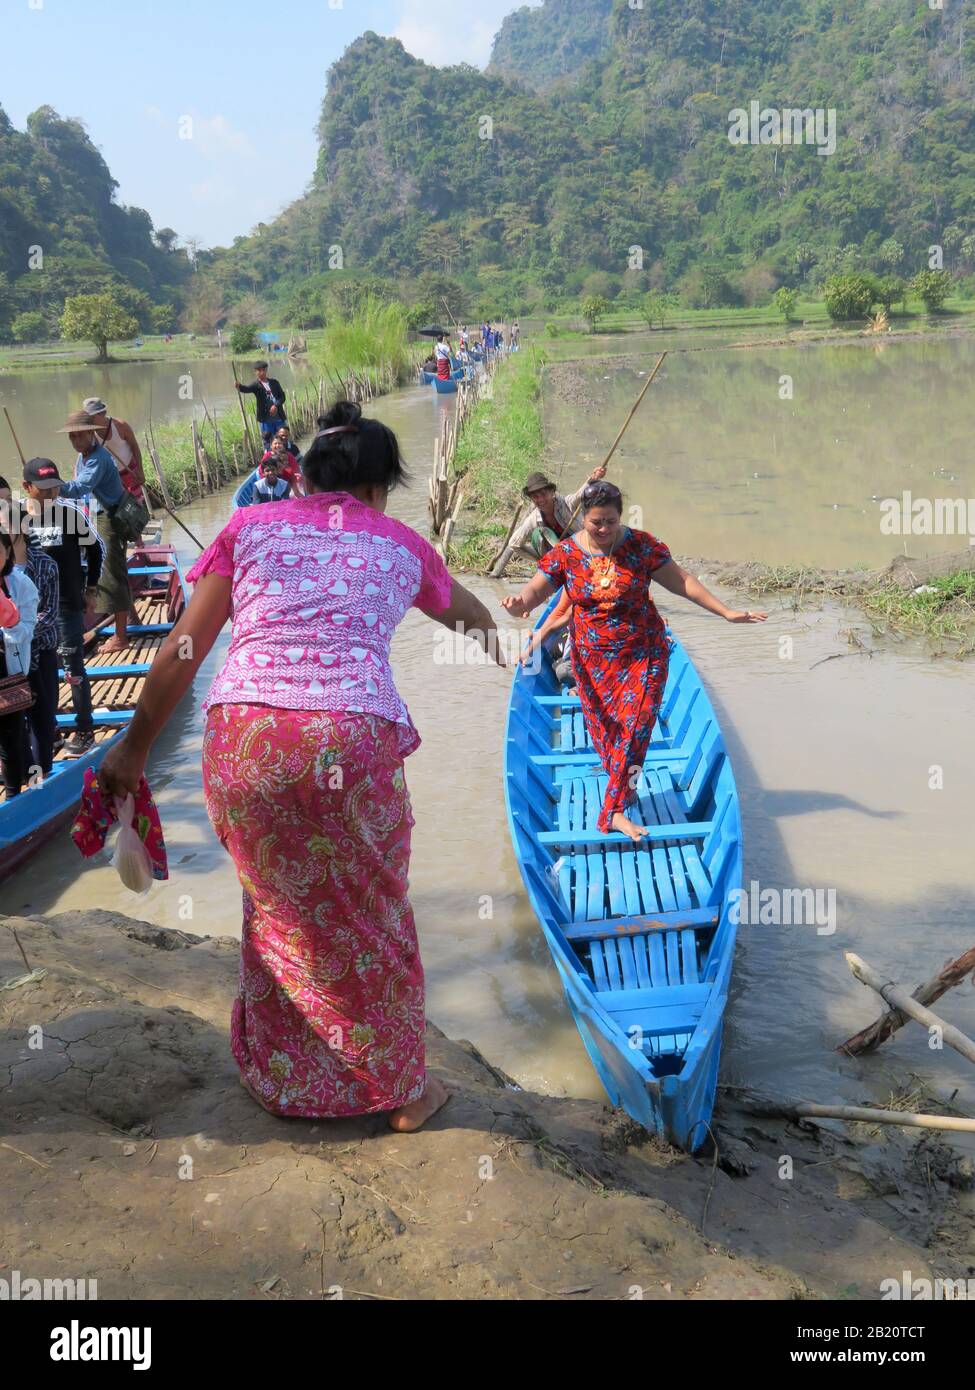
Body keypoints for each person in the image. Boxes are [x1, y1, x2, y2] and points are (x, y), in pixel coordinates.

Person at [98, 400, 503, 1131]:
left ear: (306, 479)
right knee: (369, 912)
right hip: (348, 741)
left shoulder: (248, 527)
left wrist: (132, 746)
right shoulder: (402, 545)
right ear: (379, 487)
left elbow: (182, 651)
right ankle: (403, 1094)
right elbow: (473, 617)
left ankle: (288, 1081)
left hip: (245, 737)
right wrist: (507, 650)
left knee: (277, 909)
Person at [501, 480, 767, 842]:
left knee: (638, 725)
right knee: (608, 733)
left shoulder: (641, 547)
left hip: (644, 654)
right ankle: (622, 788)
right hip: (592, 662)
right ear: (584, 517)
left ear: (620, 516)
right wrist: (520, 603)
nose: (604, 529)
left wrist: (726, 612)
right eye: (596, 522)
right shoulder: (566, 554)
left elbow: (682, 582)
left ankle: (612, 811)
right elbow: (536, 590)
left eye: (611, 520)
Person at [22, 457, 103, 758]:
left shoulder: (70, 515)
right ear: (26, 487)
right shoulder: (16, 520)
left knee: (73, 670)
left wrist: (91, 588)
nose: (50, 495)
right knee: (38, 673)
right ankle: (49, 732)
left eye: (54, 488)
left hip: (67, 606)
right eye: (43, 490)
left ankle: (85, 730)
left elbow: (95, 551)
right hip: (30, 613)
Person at [55, 410, 131, 655]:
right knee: (114, 571)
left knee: (111, 576)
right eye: (72, 437)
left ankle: (120, 638)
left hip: (109, 518)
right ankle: (131, 620)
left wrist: (48, 486)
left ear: (91, 433)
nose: (76, 441)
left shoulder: (97, 458)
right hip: (97, 516)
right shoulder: (84, 456)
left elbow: (79, 488)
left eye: (80, 436)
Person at [12, 505, 60, 780]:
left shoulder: (45, 564)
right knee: (14, 722)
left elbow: (49, 614)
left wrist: (19, 631)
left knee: (43, 718)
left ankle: (43, 774)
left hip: (40, 650)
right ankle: (24, 776)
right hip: (10, 659)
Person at [0, 530, 38, 799]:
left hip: (8, 672)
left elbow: (27, 631)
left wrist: (9, 621)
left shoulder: (20, 584)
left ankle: (14, 794)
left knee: (10, 735)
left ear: (7, 553)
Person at [510, 465, 608, 562]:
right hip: (559, 559)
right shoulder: (534, 519)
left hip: (583, 550)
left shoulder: (567, 503)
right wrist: (541, 560)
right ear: (532, 499)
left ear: (552, 492)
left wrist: (595, 477)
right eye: (535, 496)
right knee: (538, 534)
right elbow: (514, 544)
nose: (541, 500)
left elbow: (580, 494)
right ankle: (551, 565)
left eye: (544, 494)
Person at [83, 398, 149, 508]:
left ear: (103, 413)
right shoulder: (91, 435)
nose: (91, 421)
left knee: (138, 503)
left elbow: (135, 447)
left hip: (130, 470)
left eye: (93, 417)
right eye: (88, 418)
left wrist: (140, 470)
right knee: (121, 507)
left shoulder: (120, 426)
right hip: (112, 476)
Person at [235, 361, 287, 442]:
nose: (262, 372)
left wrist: (276, 405)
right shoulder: (256, 385)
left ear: (266, 370)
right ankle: (268, 454)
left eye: (264, 370)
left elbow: (282, 397)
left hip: (278, 417)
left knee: (283, 439)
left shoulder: (274, 382)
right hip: (265, 419)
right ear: (255, 372)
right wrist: (239, 386)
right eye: (259, 370)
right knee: (268, 440)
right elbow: (246, 389)